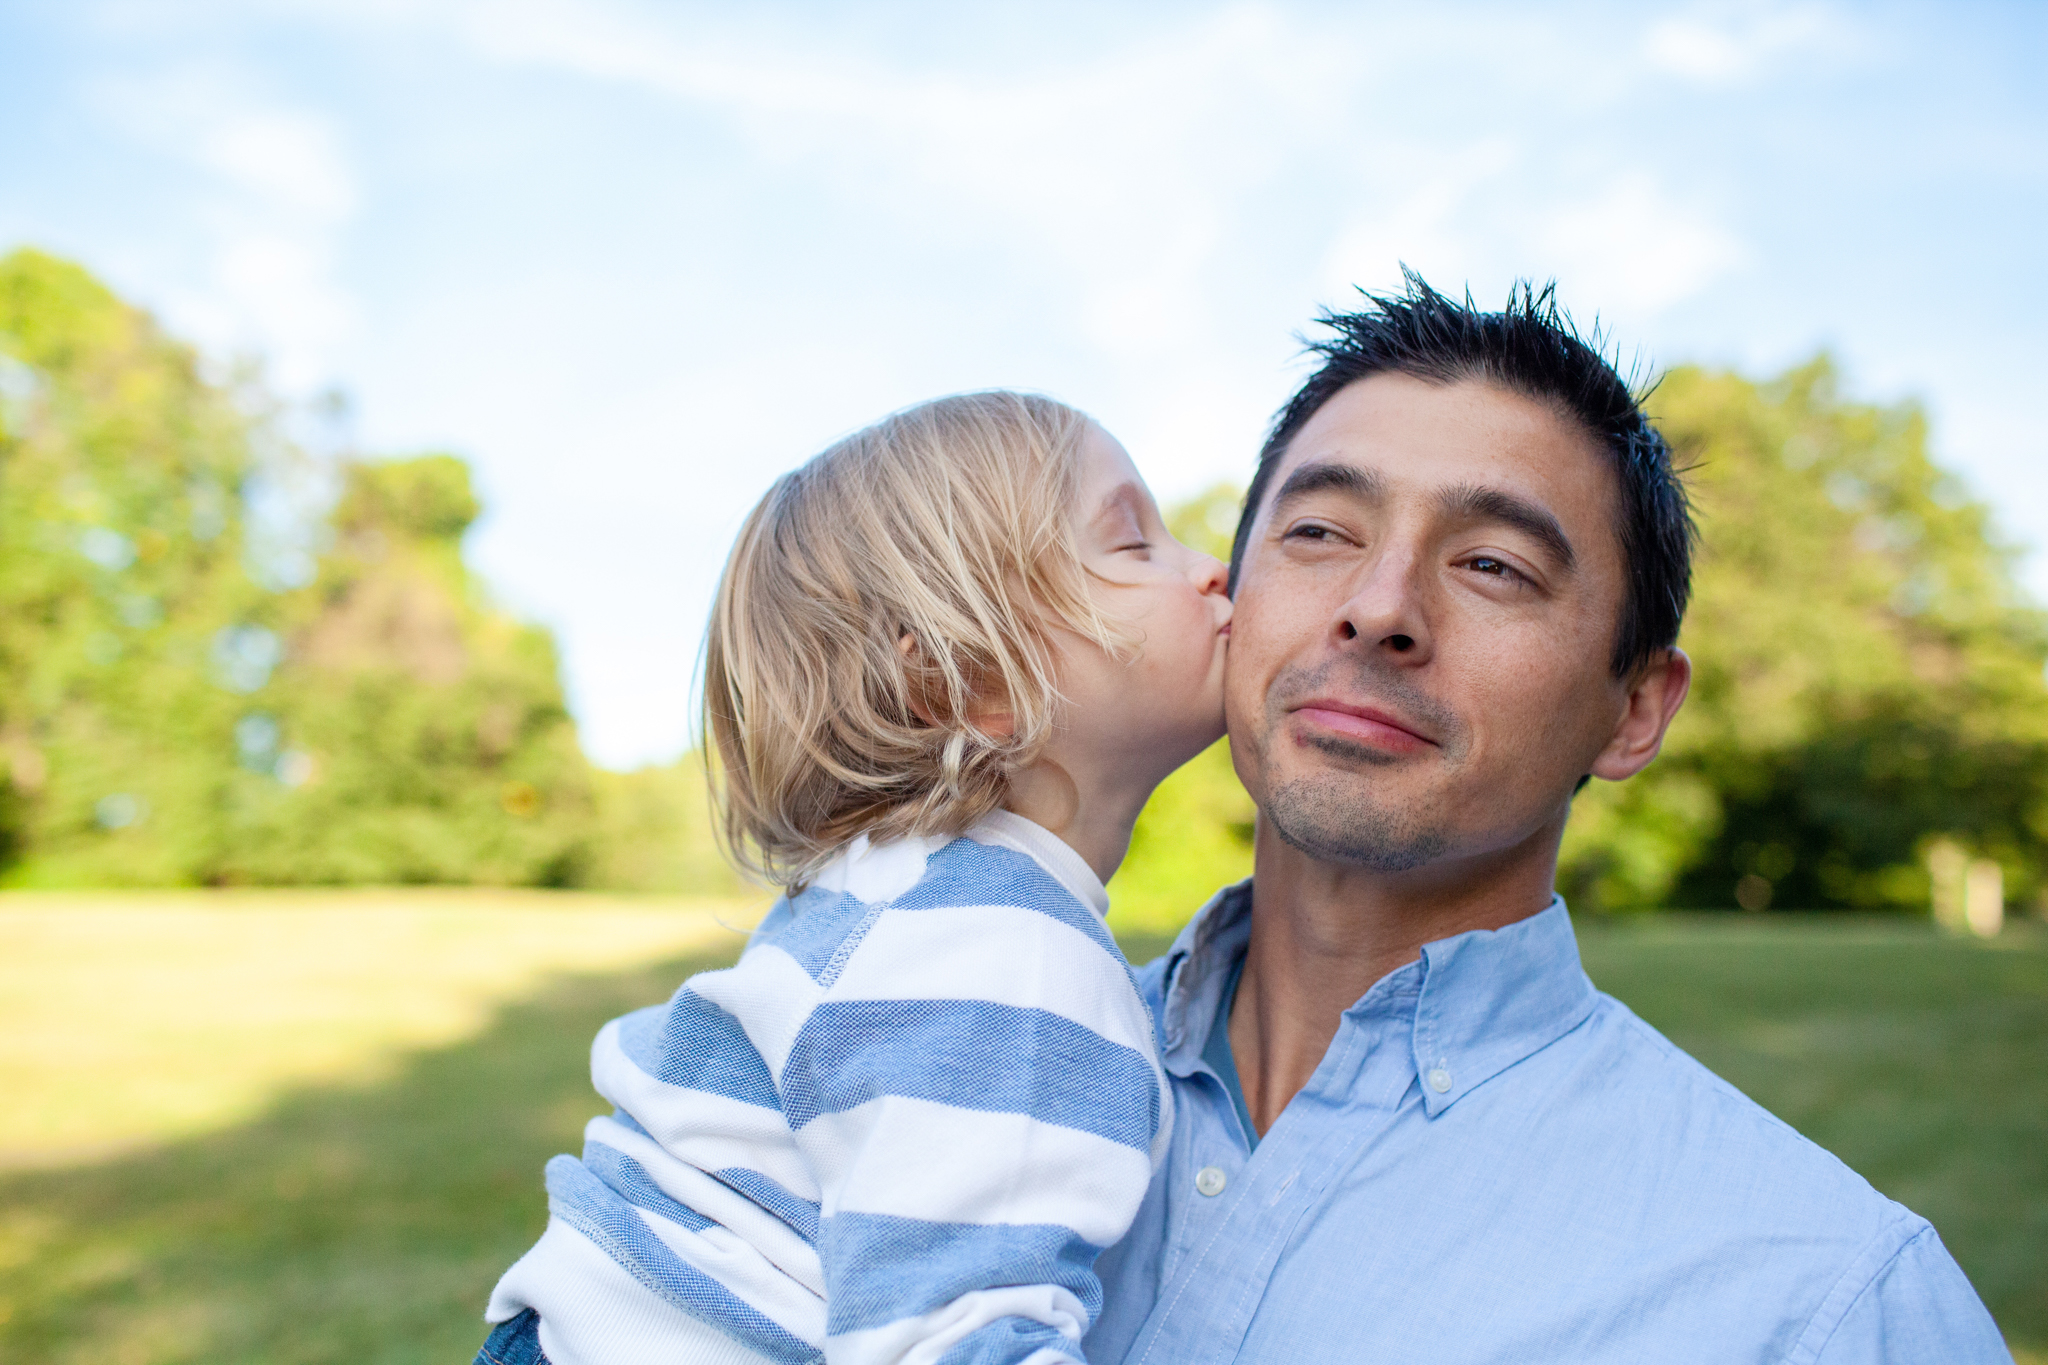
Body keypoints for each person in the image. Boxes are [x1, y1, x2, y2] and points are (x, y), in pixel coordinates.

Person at [1084, 274, 2013, 1363]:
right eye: (1322, 530)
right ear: (1230, 598)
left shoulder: (1827, 1306)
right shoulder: (910, 1054)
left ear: (1630, 710)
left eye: (1491, 564)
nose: (1378, 606)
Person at [477, 392, 1234, 1365]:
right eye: (1132, 546)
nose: (1213, 566)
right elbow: (956, 1337)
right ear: (972, 684)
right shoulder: (1002, 955)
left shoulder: (910, 900)